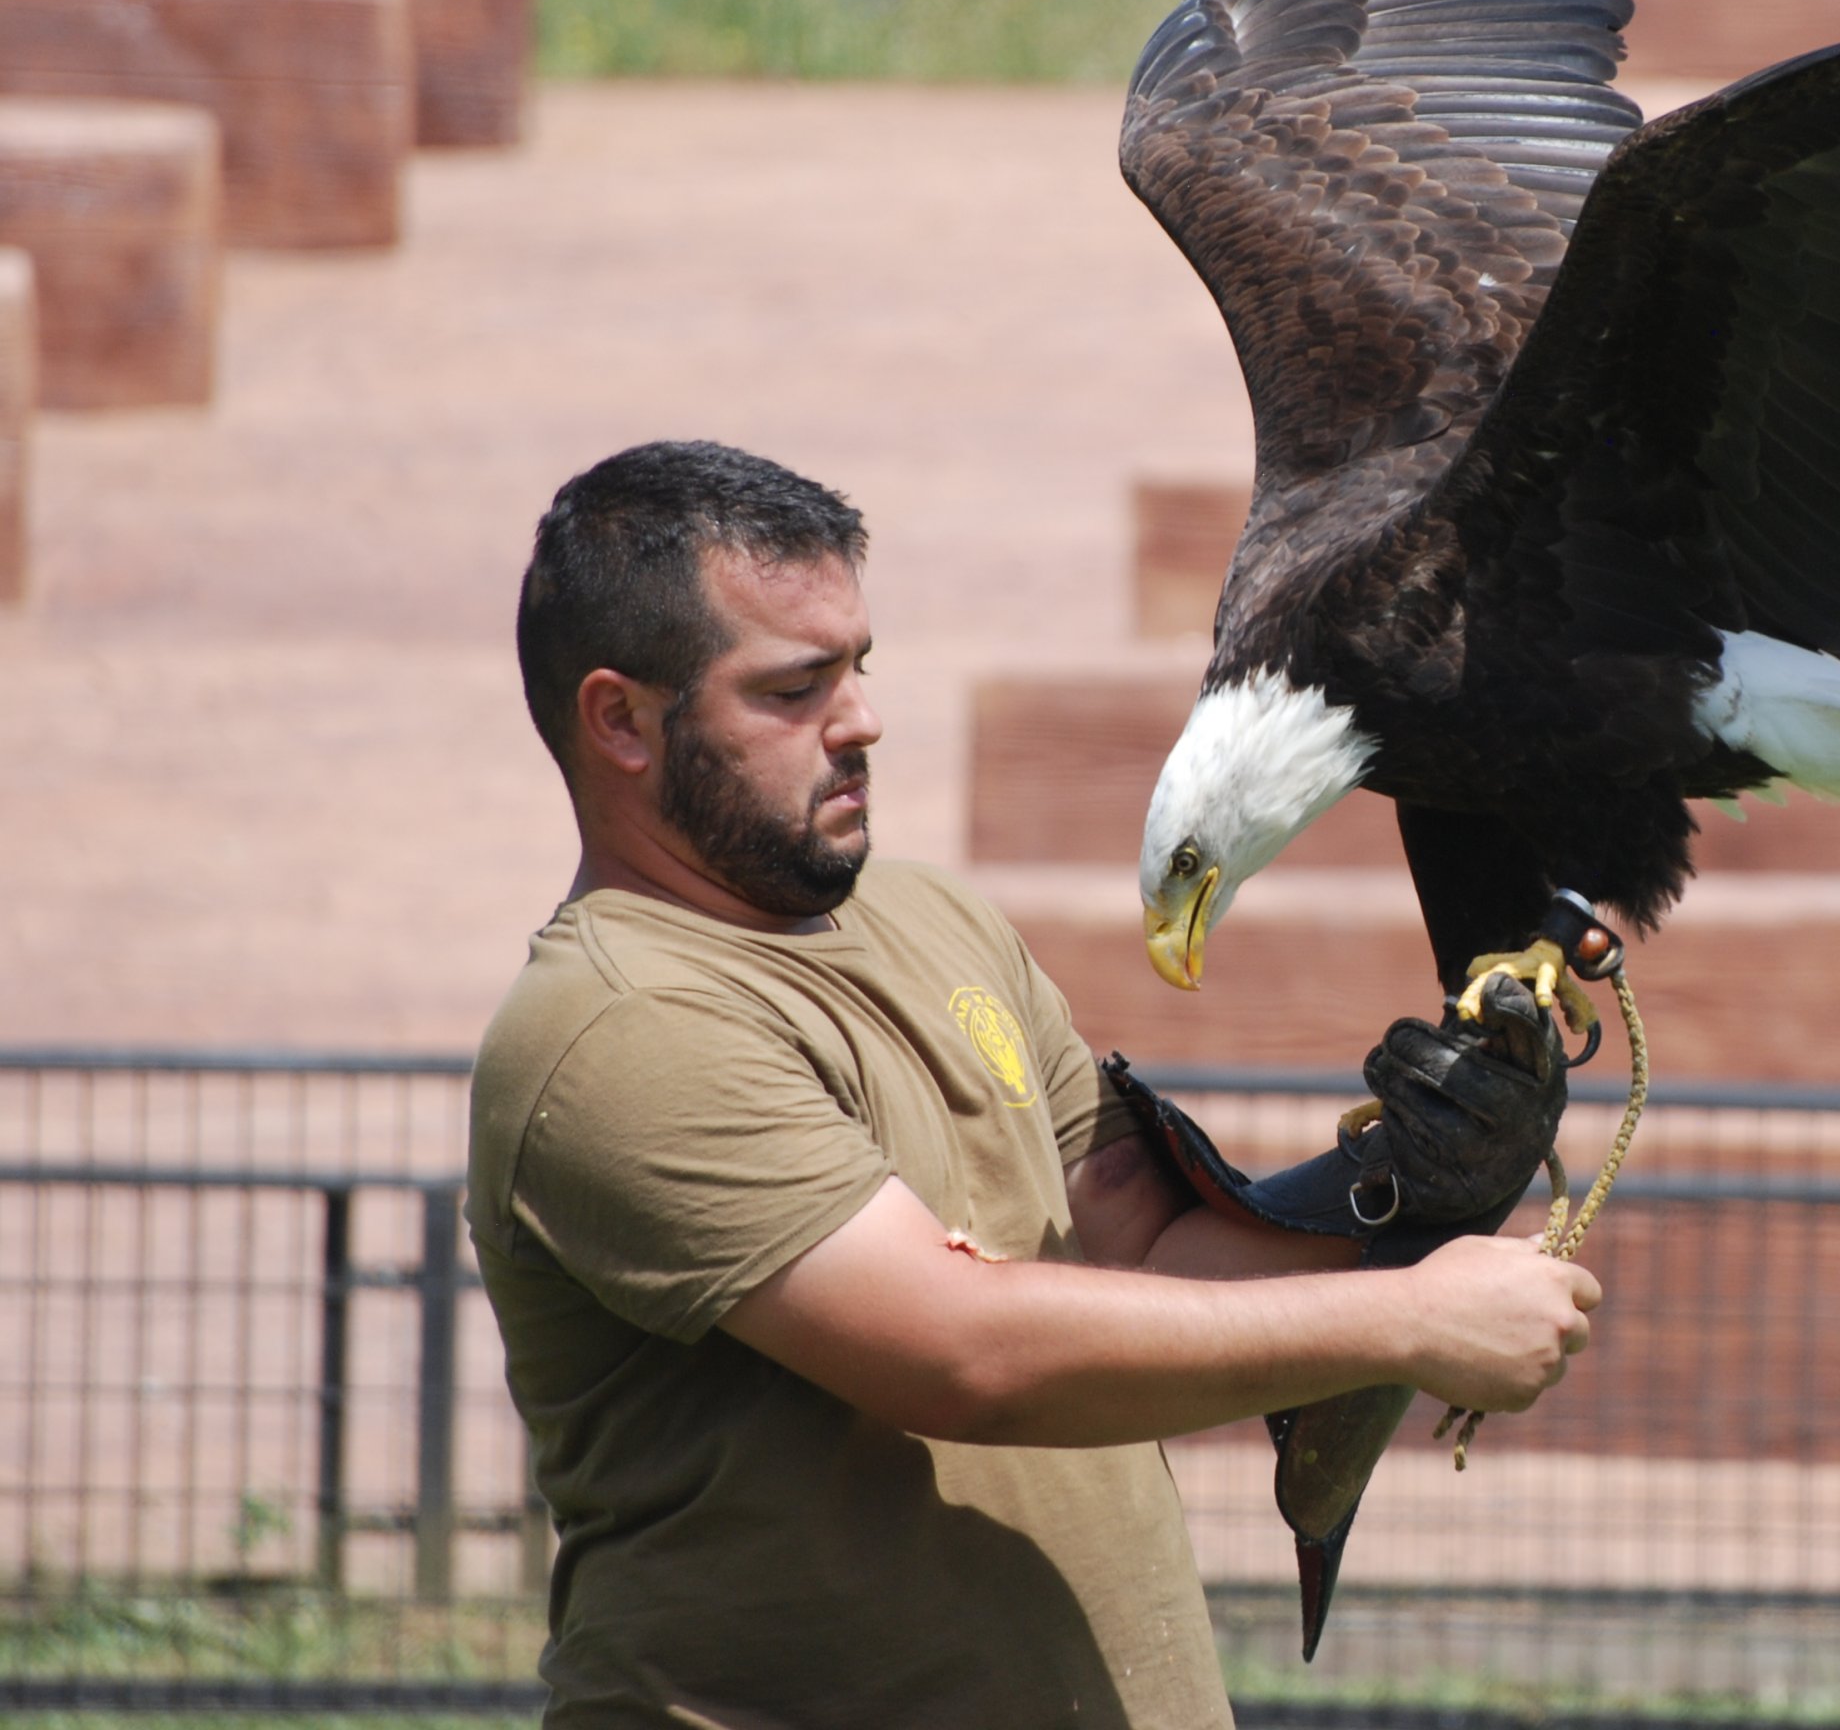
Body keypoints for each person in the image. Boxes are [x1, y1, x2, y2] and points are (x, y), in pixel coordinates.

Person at [470, 439, 1599, 1728]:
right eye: (793, 689)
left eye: (859, 667)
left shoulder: (932, 918)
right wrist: (1405, 1323)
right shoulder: (620, 1025)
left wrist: (1405, 1189)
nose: (861, 720)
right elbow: (962, 1355)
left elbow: (1149, 1256)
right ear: (620, 719)